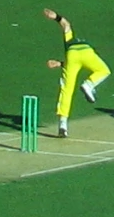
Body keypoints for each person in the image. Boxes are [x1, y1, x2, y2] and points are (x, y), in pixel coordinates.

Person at [42, 8, 110, 137]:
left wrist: (55, 17)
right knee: (104, 71)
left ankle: (63, 125)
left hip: (72, 55)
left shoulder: (69, 40)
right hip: (87, 52)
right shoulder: (83, 43)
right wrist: (59, 63)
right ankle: (89, 85)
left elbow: (65, 25)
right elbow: (66, 24)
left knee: (67, 90)